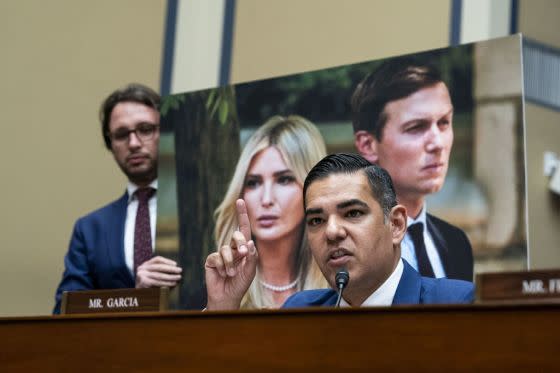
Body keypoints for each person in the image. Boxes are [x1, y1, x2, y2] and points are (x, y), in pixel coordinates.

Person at [205, 153, 473, 310]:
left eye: (353, 213)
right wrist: (222, 309)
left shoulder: (456, 304)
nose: (331, 232)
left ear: (396, 225)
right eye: (316, 220)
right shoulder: (300, 311)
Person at [53, 83, 182, 314]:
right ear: (111, 144)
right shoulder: (90, 228)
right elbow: (64, 312)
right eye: (122, 134)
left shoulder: (197, 205)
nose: (133, 143)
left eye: (145, 129)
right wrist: (134, 297)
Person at [351, 57, 473, 282]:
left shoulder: (456, 243)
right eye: (416, 127)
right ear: (368, 145)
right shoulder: (348, 247)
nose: (437, 143)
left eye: (444, 122)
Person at [210, 115, 328, 309]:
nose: (266, 199)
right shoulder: (217, 291)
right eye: (253, 183)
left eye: (284, 180)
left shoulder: (341, 288)